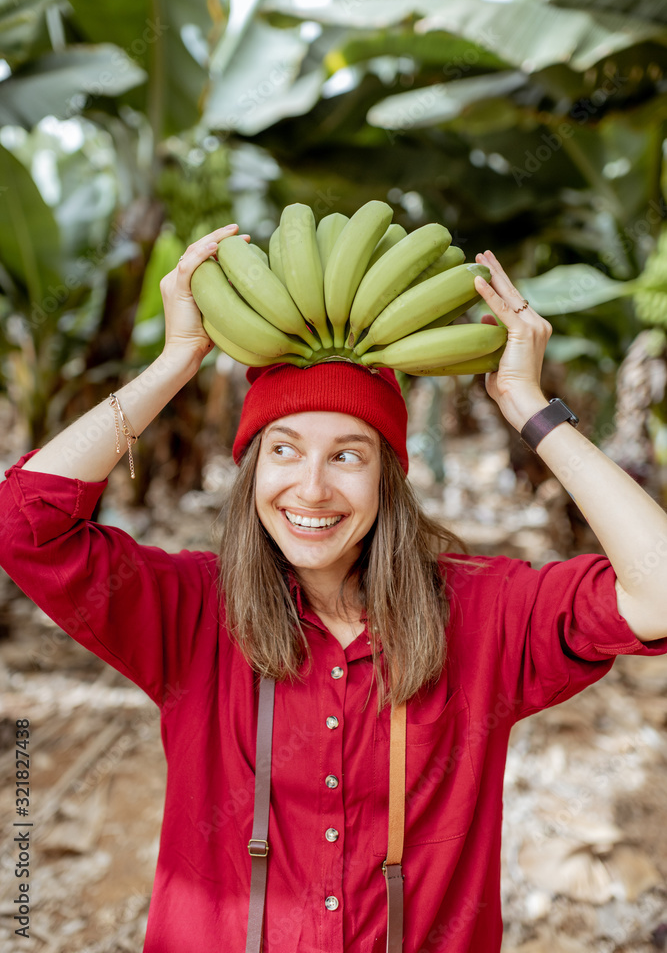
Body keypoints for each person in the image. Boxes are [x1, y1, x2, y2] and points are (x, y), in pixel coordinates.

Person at [1, 221, 666, 953]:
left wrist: (530, 410)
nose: (310, 488)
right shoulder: (192, 611)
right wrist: (175, 362)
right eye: (283, 450)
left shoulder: (482, 615)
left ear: (388, 480)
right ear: (252, 473)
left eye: (347, 455)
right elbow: (24, 524)